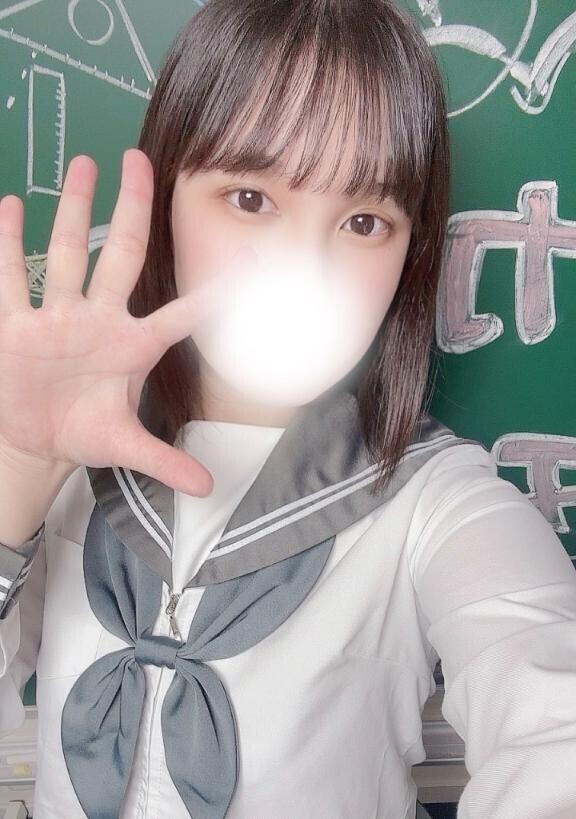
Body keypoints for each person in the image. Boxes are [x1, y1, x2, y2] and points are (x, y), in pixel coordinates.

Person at [0, 1, 575, 817]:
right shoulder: (66, 456)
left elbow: (555, 717)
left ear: (408, 254)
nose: (303, 264)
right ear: (167, 200)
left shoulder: (435, 500)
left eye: (364, 221)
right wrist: (18, 473)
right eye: (249, 198)